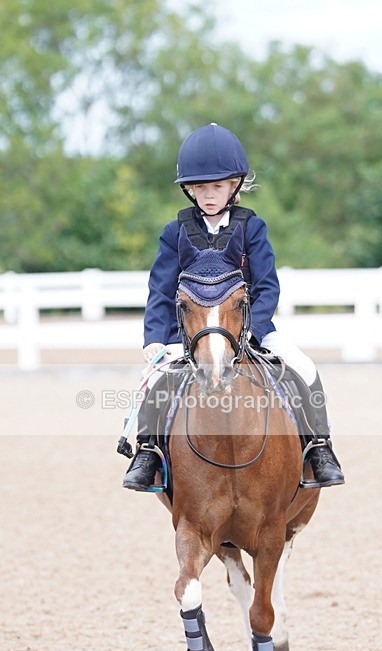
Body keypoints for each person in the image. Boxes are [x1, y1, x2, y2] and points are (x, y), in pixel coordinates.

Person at [123, 122, 344, 491]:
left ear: (234, 186)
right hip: (191, 334)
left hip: (249, 331)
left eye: (217, 186)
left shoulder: (251, 227)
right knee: (155, 381)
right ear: (189, 189)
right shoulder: (174, 232)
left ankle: (319, 447)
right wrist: (155, 338)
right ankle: (148, 452)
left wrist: (252, 332)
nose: (208, 195)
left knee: (305, 368)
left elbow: (267, 286)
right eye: (200, 187)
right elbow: (160, 291)